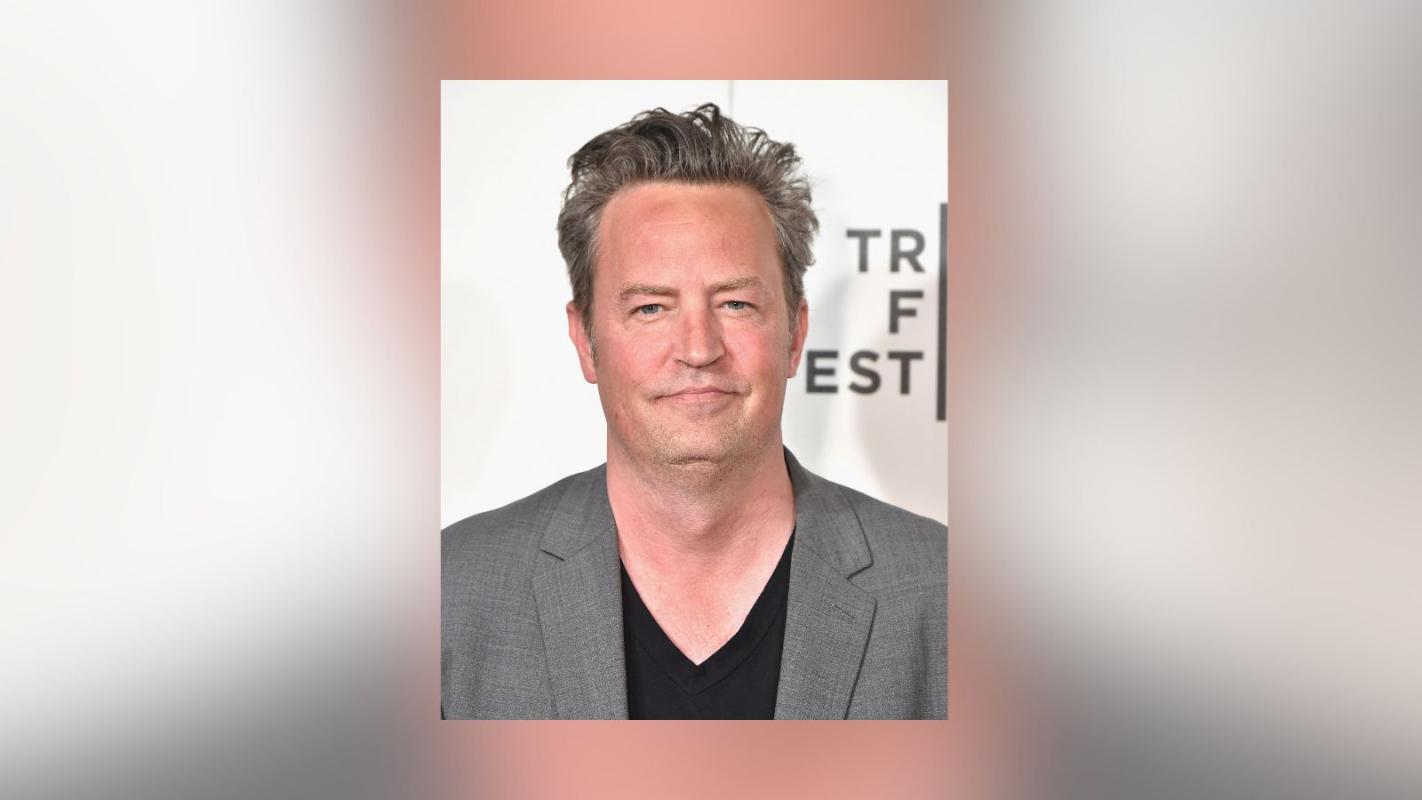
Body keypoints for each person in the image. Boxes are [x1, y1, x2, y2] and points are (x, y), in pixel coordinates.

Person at [442, 103, 946, 719]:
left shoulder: (945, 597)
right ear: (585, 341)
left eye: (735, 304)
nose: (699, 348)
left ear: (794, 335)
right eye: (650, 308)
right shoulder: (450, 596)